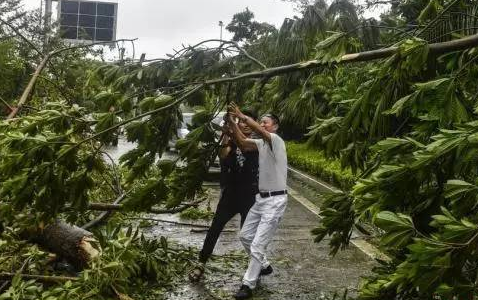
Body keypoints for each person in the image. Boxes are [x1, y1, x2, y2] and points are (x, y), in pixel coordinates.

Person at [188, 109, 259, 282]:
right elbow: (223, 155)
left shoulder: (257, 143)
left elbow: (245, 144)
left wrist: (233, 127)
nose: (245, 125)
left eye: (249, 122)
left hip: (250, 195)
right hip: (230, 194)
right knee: (214, 229)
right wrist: (227, 131)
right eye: (243, 121)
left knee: (249, 236)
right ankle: (201, 263)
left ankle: (256, 270)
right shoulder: (231, 142)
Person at [227, 103, 288, 300]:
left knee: (257, 245)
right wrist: (231, 124)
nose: (262, 124)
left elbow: (258, 131)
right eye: (261, 121)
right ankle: (264, 266)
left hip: (276, 200)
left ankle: (248, 285)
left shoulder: (276, 141)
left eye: (266, 122)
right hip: (261, 200)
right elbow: (243, 142)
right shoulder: (261, 144)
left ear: (275, 126)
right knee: (245, 236)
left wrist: (242, 117)